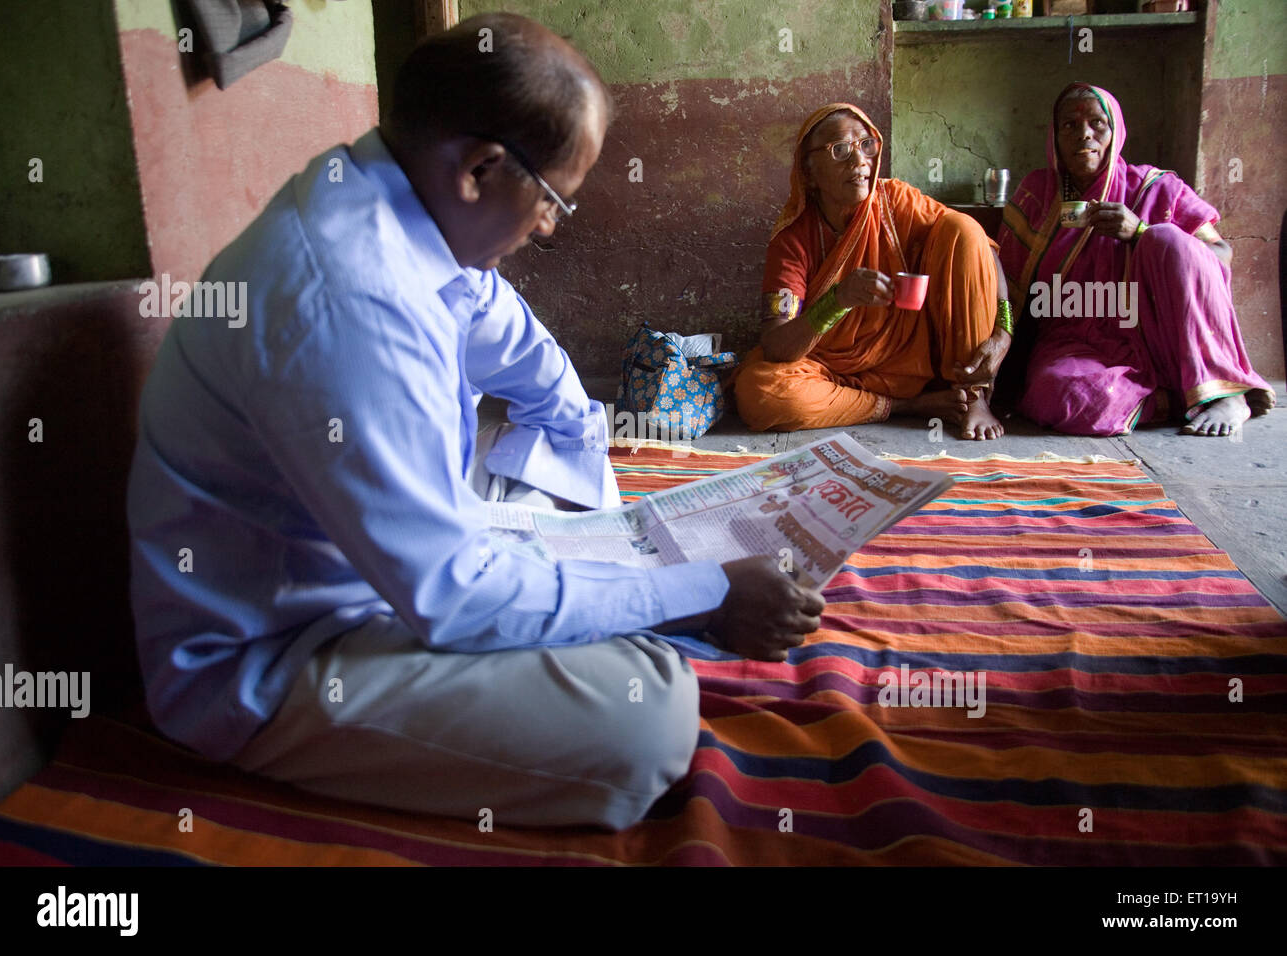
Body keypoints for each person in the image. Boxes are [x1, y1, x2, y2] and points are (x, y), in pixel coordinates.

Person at [125, 13, 824, 831]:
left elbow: (530, 359)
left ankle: (589, 602)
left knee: (568, 465)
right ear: (483, 170)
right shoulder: (353, 298)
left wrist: (587, 467)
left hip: (385, 568)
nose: (549, 227)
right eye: (557, 200)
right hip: (280, 653)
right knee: (646, 720)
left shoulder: (402, 206)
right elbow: (453, 597)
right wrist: (703, 592)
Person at [998, 82, 1275, 437]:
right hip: (1070, 338)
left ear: (1115, 132)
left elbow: (1221, 256)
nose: (1084, 135)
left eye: (1097, 123)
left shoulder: (1155, 188)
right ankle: (1180, 397)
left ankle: (1221, 387)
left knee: (1167, 237)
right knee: (1061, 396)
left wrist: (1141, 233)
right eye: (1070, 125)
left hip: (1157, 337)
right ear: (1054, 135)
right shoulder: (1037, 194)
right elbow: (1005, 280)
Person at [733, 103, 1014, 441]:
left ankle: (973, 396)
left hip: (918, 361)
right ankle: (904, 406)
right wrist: (838, 300)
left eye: (866, 145)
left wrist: (1005, 330)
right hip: (831, 374)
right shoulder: (793, 240)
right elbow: (777, 346)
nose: (859, 161)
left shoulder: (897, 203)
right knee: (759, 393)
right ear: (808, 173)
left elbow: (985, 253)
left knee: (964, 229)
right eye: (839, 150)